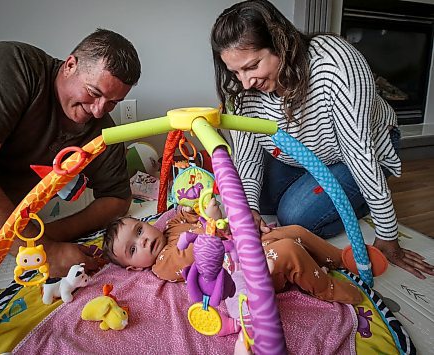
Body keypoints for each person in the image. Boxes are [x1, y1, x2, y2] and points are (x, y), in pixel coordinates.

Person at [210, 0, 434, 279]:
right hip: (302, 152)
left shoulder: (334, 65)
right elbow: (247, 158)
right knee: (253, 201)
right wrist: (250, 211)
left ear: (280, 42)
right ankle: (301, 189)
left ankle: (358, 199)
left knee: (295, 216)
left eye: (253, 66)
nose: (244, 82)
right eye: (235, 72)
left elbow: (359, 152)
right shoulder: (244, 90)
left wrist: (388, 235)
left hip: (357, 151)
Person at [0, 28, 141, 285]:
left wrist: (53, 234)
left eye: (112, 102)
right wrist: (43, 250)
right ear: (70, 65)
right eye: (94, 92)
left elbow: (118, 199)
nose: (99, 111)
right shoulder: (10, 66)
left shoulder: (102, 131)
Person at [103, 199, 363, 305]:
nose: (144, 241)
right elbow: (202, 251)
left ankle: (339, 258)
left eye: (139, 231)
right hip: (240, 275)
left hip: (244, 243)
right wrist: (211, 224)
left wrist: (194, 205)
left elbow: (183, 212)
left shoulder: (169, 225)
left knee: (294, 230)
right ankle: (327, 288)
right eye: (133, 249)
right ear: (134, 267)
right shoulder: (163, 263)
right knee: (287, 250)